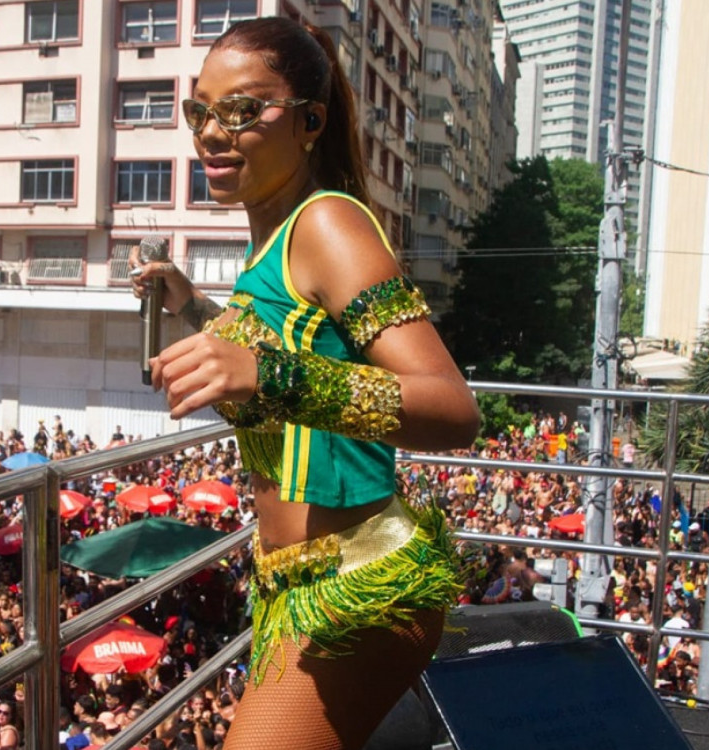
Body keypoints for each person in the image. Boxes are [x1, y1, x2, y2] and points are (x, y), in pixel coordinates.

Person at [128, 18, 477, 749]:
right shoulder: (276, 237)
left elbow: (452, 409)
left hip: (358, 586)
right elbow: (294, 347)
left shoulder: (327, 224)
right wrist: (191, 305)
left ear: (309, 122)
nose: (212, 133)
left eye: (241, 110)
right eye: (200, 111)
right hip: (294, 585)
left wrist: (267, 376)